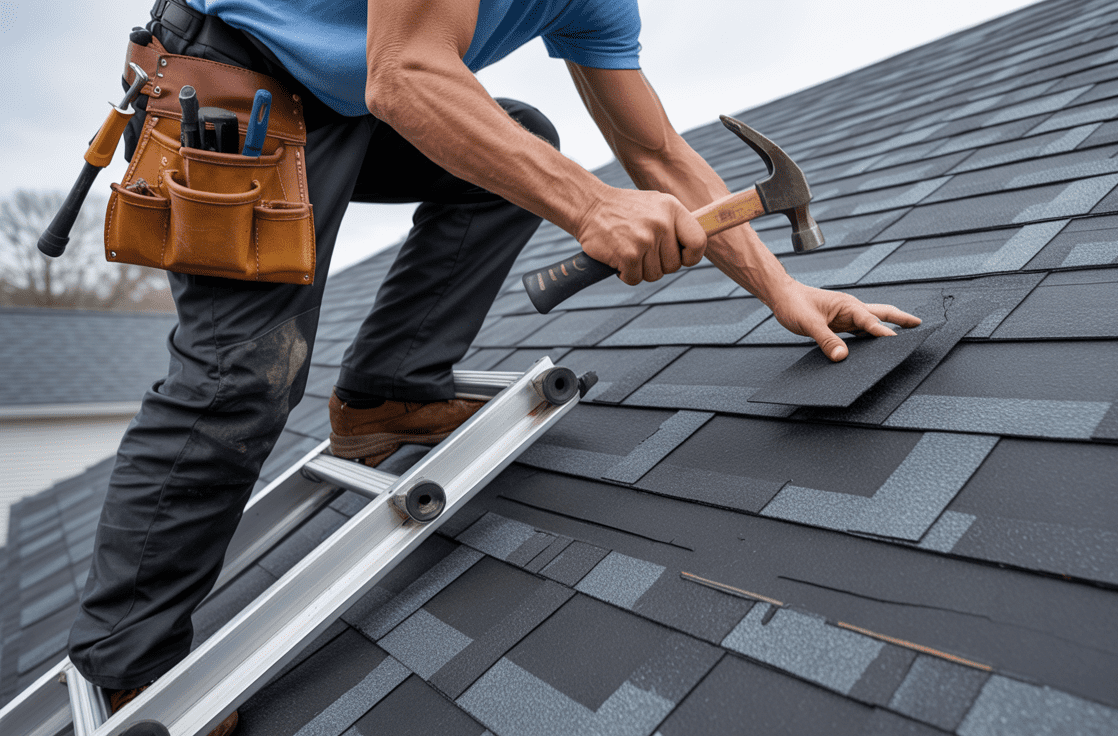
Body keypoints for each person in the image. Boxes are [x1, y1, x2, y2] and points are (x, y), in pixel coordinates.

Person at [69, 0, 922, 729]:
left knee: (518, 144)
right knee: (240, 375)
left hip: (341, 98)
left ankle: (387, 397)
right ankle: (128, 660)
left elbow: (656, 154)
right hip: (232, 73)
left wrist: (784, 290)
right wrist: (590, 206)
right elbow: (402, 76)